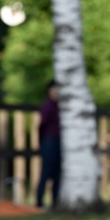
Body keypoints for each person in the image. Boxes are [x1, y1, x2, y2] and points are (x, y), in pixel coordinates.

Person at [36, 79, 61, 210]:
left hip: (59, 143)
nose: (56, 92)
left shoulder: (62, 107)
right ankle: (39, 202)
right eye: (54, 89)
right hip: (49, 141)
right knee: (46, 173)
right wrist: (42, 143)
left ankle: (55, 202)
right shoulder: (47, 107)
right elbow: (41, 126)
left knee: (58, 174)